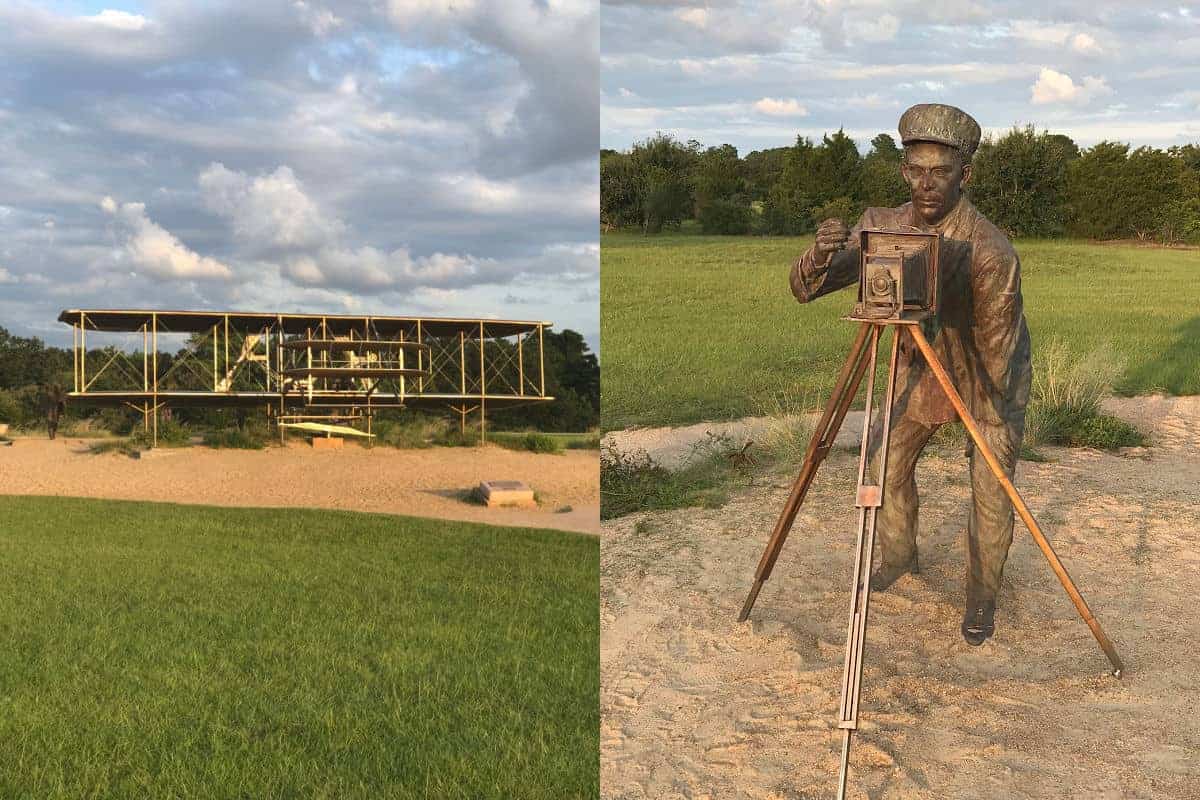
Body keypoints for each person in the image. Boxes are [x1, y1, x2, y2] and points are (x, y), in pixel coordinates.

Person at [788, 103, 1032, 645]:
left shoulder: (990, 249)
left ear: (964, 175)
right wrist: (820, 255)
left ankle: (982, 596)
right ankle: (899, 557)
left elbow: (999, 346)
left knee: (990, 483)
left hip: (984, 374)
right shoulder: (881, 225)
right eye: (916, 170)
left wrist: (985, 419)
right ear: (903, 171)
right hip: (917, 367)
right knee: (884, 458)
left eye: (940, 173)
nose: (926, 185)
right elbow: (808, 289)